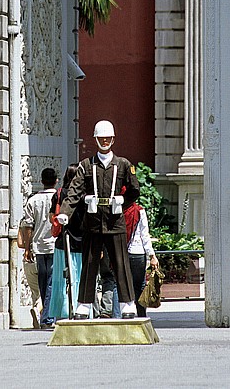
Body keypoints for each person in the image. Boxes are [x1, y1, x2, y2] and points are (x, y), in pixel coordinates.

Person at [56, 120, 141, 319]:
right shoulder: (86, 165)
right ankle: (84, 306)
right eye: (101, 138)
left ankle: (128, 304)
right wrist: (65, 212)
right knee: (89, 263)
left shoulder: (123, 164)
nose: (104, 141)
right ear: (95, 139)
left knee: (120, 263)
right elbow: (74, 191)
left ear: (113, 139)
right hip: (93, 222)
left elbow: (135, 190)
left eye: (108, 138)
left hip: (115, 221)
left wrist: (123, 200)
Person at [20, 167, 58, 328]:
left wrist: (27, 248)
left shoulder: (32, 200)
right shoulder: (58, 198)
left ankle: (45, 313)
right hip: (56, 245)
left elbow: (27, 226)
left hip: (39, 246)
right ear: (56, 180)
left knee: (43, 281)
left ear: (41, 181)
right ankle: (48, 317)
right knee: (52, 281)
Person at [48, 164, 84, 320]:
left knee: (61, 280)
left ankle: (62, 312)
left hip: (63, 241)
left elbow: (52, 218)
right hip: (83, 242)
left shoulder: (59, 193)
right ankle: (81, 310)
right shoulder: (86, 195)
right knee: (81, 279)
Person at [124, 201, 159, 317]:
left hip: (121, 252)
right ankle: (141, 314)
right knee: (140, 286)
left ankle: (121, 312)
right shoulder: (139, 210)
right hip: (138, 251)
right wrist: (152, 256)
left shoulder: (117, 209)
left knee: (120, 284)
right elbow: (145, 235)